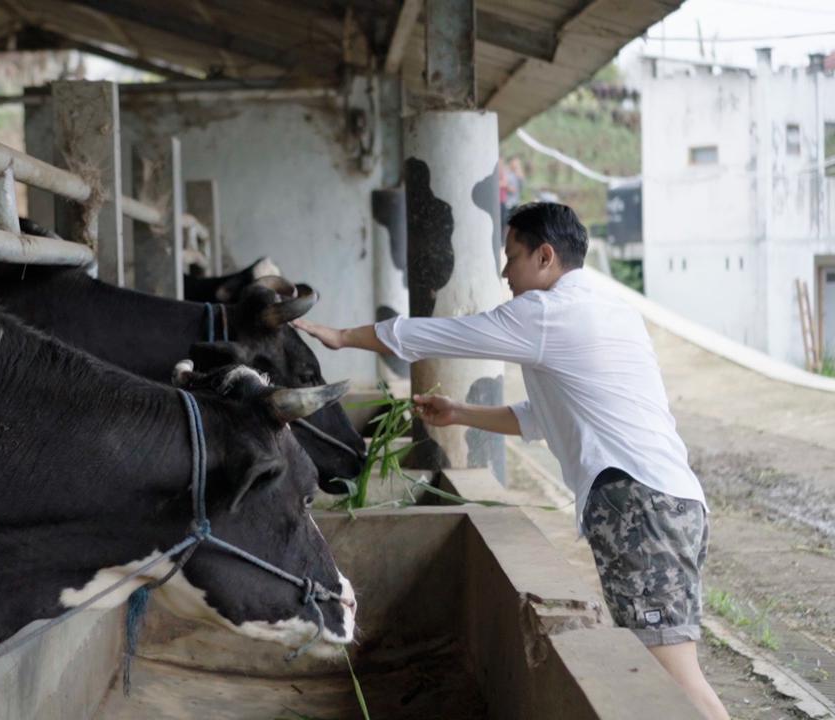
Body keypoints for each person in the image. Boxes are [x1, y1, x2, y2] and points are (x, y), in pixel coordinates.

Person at [293, 202, 729, 720]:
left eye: (512, 256)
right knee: (662, 671)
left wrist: (345, 337)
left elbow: (441, 335)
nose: (505, 272)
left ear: (545, 256)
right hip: (671, 501)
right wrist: (460, 413)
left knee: (675, 677)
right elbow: (539, 419)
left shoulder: (544, 313)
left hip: (639, 508)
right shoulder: (608, 310)